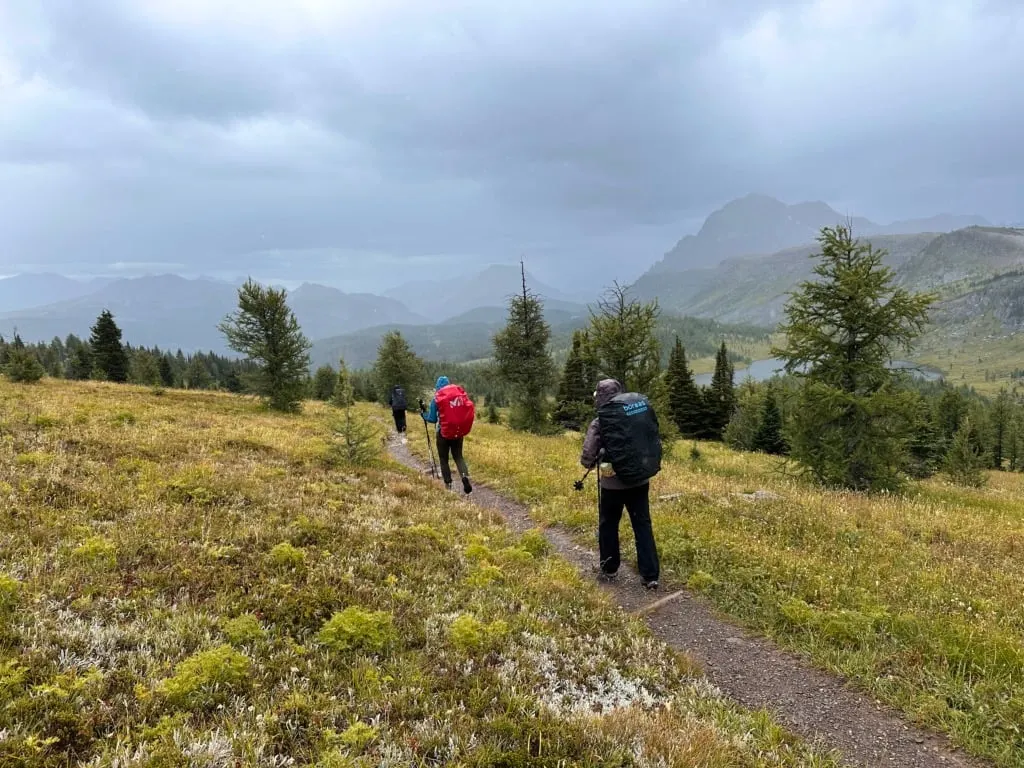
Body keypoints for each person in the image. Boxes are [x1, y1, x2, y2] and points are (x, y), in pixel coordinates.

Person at [580, 378, 660, 590]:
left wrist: (592, 461)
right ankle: (650, 575)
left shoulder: (601, 421)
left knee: (608, 524)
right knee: (642, 524)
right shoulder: (636, 412)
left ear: (600, 397)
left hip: (612, 484)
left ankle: (609, 568)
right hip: (640, 480)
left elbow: (587, 456)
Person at [421, 375, 473, 494]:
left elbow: (432, 419)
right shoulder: (458, 396)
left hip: (443, 434)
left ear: (438, 386)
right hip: (458, 432)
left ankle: (448, 485)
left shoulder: (437, 399)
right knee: (458, 457)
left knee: (443, 459)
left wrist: (423, 415)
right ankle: (465, 478)